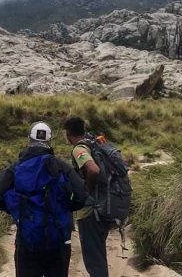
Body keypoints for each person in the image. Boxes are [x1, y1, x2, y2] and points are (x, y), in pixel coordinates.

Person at [0, 122, 86, 277]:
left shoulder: (16, 167)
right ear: (49, 141)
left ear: (29, 139)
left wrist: (17, 211)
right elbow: (81, 196)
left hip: (27, 241)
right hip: (58, 240)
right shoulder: (62, 167)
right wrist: (64, 208)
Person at [64, 117, 110, 277]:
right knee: (99, 254)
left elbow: (94, 170)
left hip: (91, 211)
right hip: (105, 206)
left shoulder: (79, 149)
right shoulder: (95, 143)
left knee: (94, 260)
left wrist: (86, 192)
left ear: (68, 134)